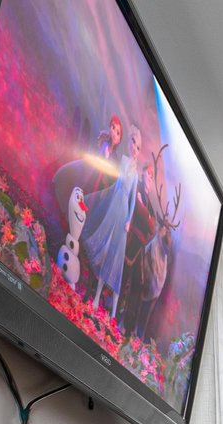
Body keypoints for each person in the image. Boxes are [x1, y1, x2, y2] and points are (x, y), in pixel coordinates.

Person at [84, 124, 143, 317]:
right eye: (133, 143)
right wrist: (108, 197)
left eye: (138, 146)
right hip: (114, 203)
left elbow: (133, 198)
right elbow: (116, 182)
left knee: (115, 255)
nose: (135, 148)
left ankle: (113, 310)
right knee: (104, 242)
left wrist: (128, 220)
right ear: (130, 144)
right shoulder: (124, 161)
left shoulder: (136, 173)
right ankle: (95, 295)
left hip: (123, 207)